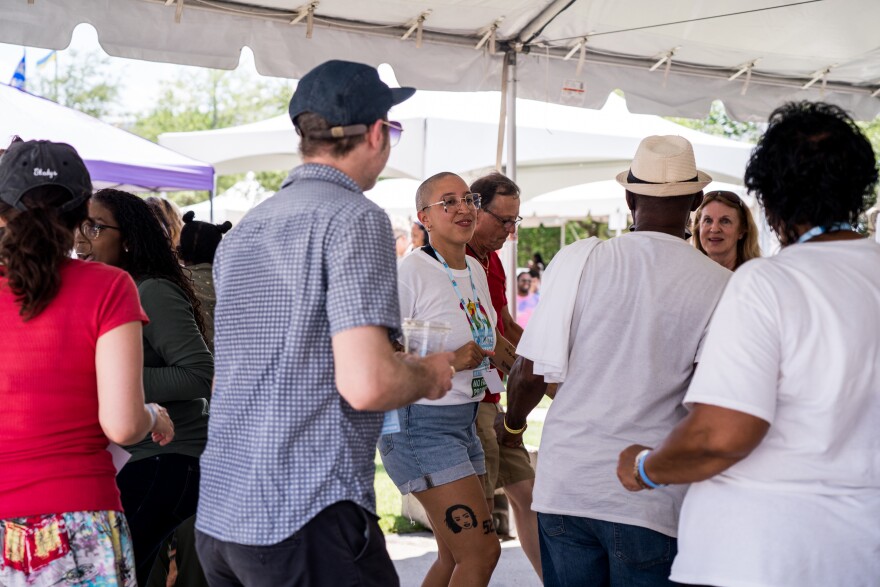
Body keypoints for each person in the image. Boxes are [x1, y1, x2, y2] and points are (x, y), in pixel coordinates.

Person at [194, 60, 454, 587]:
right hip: (303, 508)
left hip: (223, 513)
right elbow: (368, 384)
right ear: (378, 133)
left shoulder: (246, 230)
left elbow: (231, 375)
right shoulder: (355, 217)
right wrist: (429, 374)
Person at [617, 102, 880, 586]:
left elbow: (721, 436)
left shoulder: (769, 282)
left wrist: (644, 467)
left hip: (757, 553)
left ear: (768, 199)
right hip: (861, 550)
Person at [498, 135, 731, 586]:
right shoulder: (720, 284)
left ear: (628, 196)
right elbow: (711, 401)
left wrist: (512, 428)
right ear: (697, 201)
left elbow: (528, 372)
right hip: (650, 492)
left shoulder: (581, 258)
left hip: (568, 484)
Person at [0, 140, 173, 586]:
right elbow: (122, 425)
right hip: (82, 518)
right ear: (82, 218)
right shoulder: (110, 287)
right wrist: (154, 414)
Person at [74, 188, 213, 586]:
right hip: (137, 457)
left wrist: (115, 373)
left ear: (129, 238)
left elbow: (199, 373)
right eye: (78, 226)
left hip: (168, 458)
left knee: (114, 572)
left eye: (95, 228)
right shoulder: (107, 291)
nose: (81, 239)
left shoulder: (151, 290)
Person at [379, 171, 501, 586]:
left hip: (464, 419)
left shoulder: (475, 269)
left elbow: (491, 338)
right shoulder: (408, 272)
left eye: (469, 199)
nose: (464, 208)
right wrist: (448, 361)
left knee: (454, 556)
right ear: (424, 218)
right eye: (448, 202)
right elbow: (381, 354)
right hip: (420, 424)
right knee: (482, 552)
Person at [465, 172, 542, 579]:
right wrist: (530, 373)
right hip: (470, 406)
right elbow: (487, 337)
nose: (511, 232)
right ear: (475, 209)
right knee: (474, 540)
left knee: (528, 498)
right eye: (503, 221)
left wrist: (548, 357)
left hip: (494, 401)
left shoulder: (492, 261)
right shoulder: (452, 259)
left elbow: (506, 324)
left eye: (516, 221)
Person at [178, 210, 233, 354]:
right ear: (219, 251)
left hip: (192, 360)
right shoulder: (231, 281)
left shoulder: (175, 279)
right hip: (227, 360)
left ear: (180, 250)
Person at [692, 189, 761, 270]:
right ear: (698, 227)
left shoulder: (756, 276)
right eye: (708, 220)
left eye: (725, 221)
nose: (714, 229)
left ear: (741, 231)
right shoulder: (688, 273)